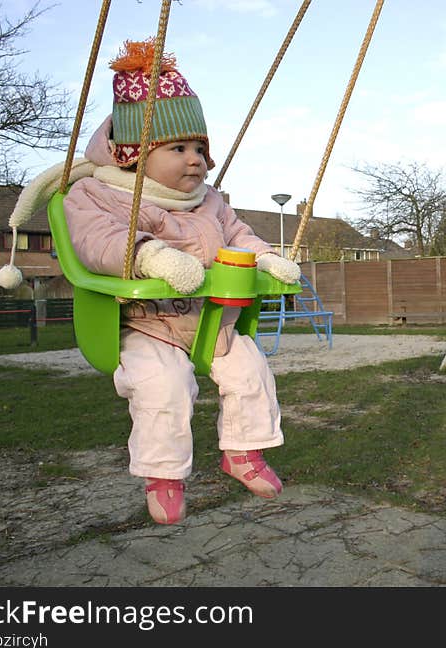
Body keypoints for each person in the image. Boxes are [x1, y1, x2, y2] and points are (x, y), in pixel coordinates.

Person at [61, 40, 300, 524]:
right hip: (145, 324)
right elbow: (96, 241)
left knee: (252, 372)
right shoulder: (98, 195)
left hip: (212, 321)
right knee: (164, 388)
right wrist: (152, 257)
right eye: (177, 148)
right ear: (133, 155)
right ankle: (164, 476)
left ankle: (242, 452)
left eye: (199, 149)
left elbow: (238, 235)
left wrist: (267, 258)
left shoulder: (210, 202)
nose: (195, 160)